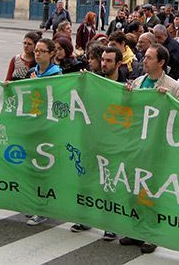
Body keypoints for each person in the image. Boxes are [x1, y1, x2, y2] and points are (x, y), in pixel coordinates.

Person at [120, 44, 179, 253]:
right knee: (134, 187)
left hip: (157, 148)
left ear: (161, 62)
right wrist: (127, 96)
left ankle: (151, 234)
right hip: (137, 146)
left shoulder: (173, 87)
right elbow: (128, 113)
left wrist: (169, 101)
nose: (143, 61)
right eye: (144, 57)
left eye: (148, 58)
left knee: (153, 190)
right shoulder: (138, 82)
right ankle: (136, 230)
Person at [70, 46, 123, 239]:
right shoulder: (93, 80)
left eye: (109, 61)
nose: (104, 64)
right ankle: (85, 217)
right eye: (102, 60)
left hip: (113, 142)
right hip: (91, 138)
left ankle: (110, 223)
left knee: (110, 181)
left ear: (118, 63)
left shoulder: (126, 85)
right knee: (87, 178)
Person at [26, 39, 62, 225]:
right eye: (36, 51)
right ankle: (34, 203)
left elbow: (55, 99)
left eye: (42, 51)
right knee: (32, 167)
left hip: (48, 128)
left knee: (44, 169)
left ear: (51, 54)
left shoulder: (57, 74)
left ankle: (43, 207)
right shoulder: (32, 72)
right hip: (33, 125)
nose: (37, 54)